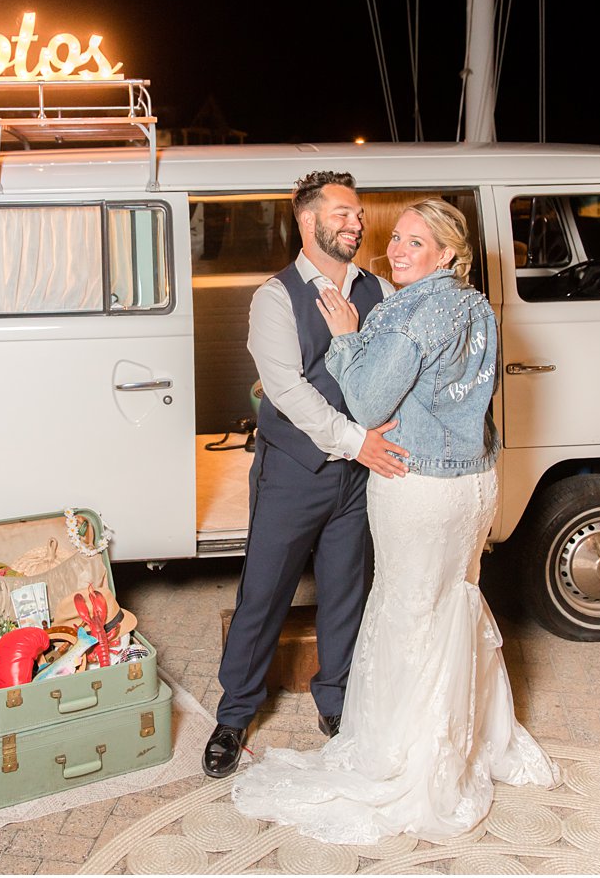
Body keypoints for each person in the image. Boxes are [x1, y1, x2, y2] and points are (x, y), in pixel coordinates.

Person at [232, 198, 558, 842]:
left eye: (414, 241)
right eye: (395, 238)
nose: (392, 248)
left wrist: (350, 337)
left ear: (447, 253)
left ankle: (406, 752)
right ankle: (459, 739)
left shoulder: (403, 303)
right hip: (459, 479)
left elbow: (370, 396)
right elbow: (292, 388)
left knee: (401, 609)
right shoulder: (473, 306)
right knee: (443, 602)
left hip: (416, 481)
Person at [205, 170, 406, 779]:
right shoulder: (275, 296)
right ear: (307, 220)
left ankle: (337, 704)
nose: (355, 222)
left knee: (346, 592)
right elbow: (287, 390)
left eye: (358, 213)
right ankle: (235, 715)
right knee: (263, 595)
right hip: (296, 471)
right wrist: (356, 443)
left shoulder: (379, 290)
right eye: (342, 212)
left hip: (358, 475)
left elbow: (392, 368)